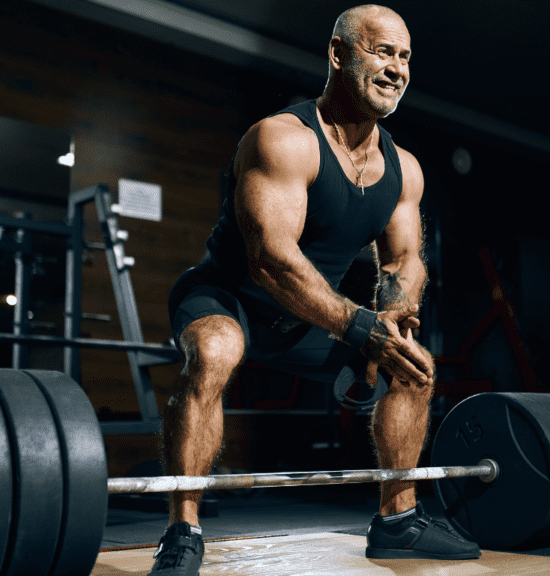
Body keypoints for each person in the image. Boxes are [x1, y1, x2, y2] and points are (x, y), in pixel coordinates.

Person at [150, 5, 480, 574]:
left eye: (404, 57)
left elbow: (405, 262)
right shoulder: (283, 140)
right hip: (230, 298)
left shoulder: (405, 169)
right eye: (382, 51)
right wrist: (359, 327)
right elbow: (271, 262)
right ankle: (183, 530)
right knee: (214, 351)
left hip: (306, 317)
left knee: (412, 364)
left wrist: (392, 326)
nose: (396, 68)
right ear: (337, 54)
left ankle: (398, 520)